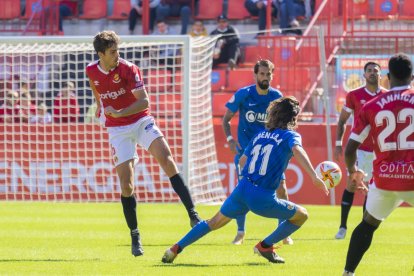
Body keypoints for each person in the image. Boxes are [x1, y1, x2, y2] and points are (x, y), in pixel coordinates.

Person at [162, 96, 329, 264]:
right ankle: (265, 245)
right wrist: (314, 176)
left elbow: (242, 161)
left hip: (242, 189)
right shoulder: (290, 136)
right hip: (262, 197)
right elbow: (297, 149)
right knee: (302, 216)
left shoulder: (260, 135)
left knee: (213, 222)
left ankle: (174, 249)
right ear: (293, 118)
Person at [85, 30, 201, 257]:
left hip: (140, 121)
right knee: (126, 185)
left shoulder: (128, 69)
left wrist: (117, 112)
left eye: (117, 50)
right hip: (117, 131)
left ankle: (193, 214)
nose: (116, 55)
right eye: (112, 52)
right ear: (101, 54)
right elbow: (95, 86)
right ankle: (135, 235)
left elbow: (144, 101)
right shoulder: (91, 70)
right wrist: (100, 106)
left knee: (167, 160)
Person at [342, 53, 414, 275]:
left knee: (368, 224)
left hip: (384, 180)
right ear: (412, 76)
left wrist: (353, 172)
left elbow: (350, 149)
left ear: (388, 77)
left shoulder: (371, 106)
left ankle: (348, 273)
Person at [222, 59, 293, 245]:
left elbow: (284, 123)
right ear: (255, 75)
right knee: (242, 192)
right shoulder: (243, 94)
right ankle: (240, 232)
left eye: (268, 74)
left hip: (271, 153)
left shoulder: (277, 96)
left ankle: (284, 232)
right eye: (261, 74)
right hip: (247, 152)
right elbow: (226, 119)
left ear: (272, 75)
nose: (265, 77)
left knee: (282, 189)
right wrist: (230, 139)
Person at [334, 61, 387, 240]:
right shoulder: (354, 95)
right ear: (364, 75)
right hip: (360, 150)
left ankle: (365, 228)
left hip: (381, 151)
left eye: (376, 71)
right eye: (369, 71)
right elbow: (342, 121)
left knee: (372, 190)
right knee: (352, 183)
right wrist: (338, 143)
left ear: (381, 75)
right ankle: (342, 226)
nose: (372, 73)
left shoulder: (387, 96)